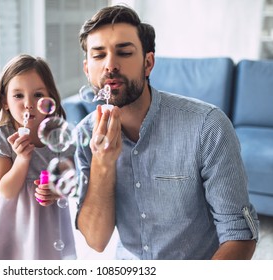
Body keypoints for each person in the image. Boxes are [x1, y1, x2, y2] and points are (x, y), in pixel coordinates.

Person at [74, 5, 259, 260]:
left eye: (124, 52)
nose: (110, 65)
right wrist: (102, 164)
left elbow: (240, 236)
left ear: (148, 63)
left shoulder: (207, 126)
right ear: (87, 70)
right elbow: (95, 240)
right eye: (98, 56)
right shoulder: (84, 135)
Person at [0, 54, 76, 260]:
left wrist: (57, 191)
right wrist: (21, 158)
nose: (28, 104)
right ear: (4, 101)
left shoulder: (58, 135)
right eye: (18, 96)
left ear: (51, 99)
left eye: (38, 95)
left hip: (46, 222)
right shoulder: (1, 137)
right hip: (10, 220)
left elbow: (71, 181)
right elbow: (7, 190)